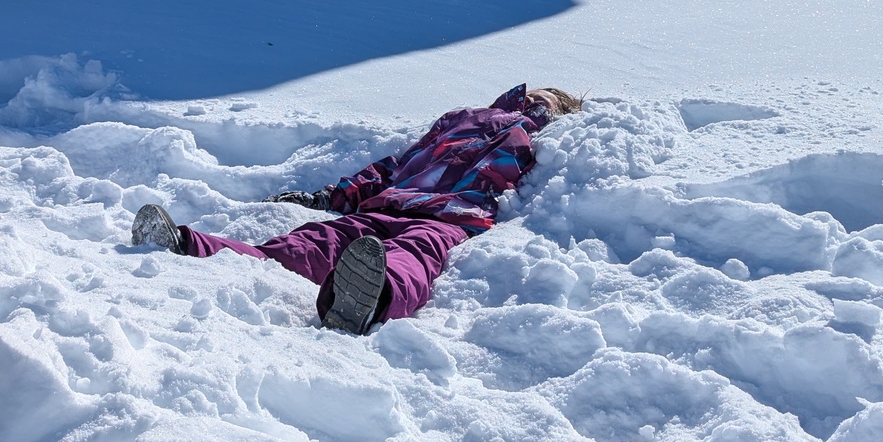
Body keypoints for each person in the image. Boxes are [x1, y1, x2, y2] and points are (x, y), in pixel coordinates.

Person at [131, 84, 581, 334]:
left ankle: (371, 299)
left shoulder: (549, 140)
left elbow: (565, 181)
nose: (539, 101)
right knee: (306, 244)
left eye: (551, 101)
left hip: (451, 218)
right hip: (387, 205)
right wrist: (331, 198)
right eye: (538, 94)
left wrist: (552, 122)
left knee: (413, 258)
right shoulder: (461, 119)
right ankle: (189, 247)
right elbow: (393, 167)